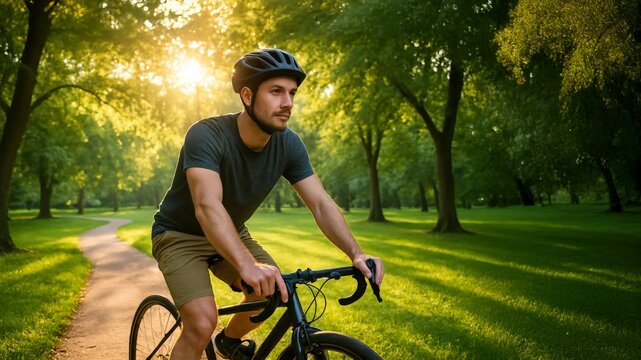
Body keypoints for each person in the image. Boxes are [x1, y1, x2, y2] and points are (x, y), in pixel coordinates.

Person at [151, 48, 384, 360]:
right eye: (276, 92)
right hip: (178, 236)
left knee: (274, 290)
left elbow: (320, 203)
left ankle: (228, 343)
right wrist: (247, 265)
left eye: (291, 93)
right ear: (247, 96)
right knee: (202, 321)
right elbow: (207, 206)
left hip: (230, 231)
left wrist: (356, 253)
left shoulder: (289, 144)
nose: (287, 103)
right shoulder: (206, 134)